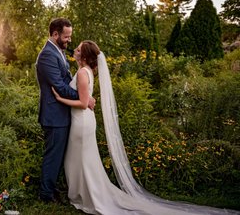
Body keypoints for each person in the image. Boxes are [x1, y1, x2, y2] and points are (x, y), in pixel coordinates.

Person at [52, 40, 240, 215]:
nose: (74, 50)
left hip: (82, 121)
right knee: (80, 161)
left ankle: (88, 196)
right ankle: (82, 194)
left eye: (78, 49)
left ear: (83, 56)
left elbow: (84, 103)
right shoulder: (85, 71)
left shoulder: (84, 73)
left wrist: (60, 99)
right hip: (82, 121)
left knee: (82, 161)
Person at [35, 18, 95, 203]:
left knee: (58, 154)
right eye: (66, 36)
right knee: (53, 155)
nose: (69, 40)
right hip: (54, 116)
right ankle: (46, 194)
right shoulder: (47, 55)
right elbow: (60, 86)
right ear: (55, 34)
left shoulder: (58, 52)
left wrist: (83, 97)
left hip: (62, 114)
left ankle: (52, 188)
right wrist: (83, 98)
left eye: (70, 36)